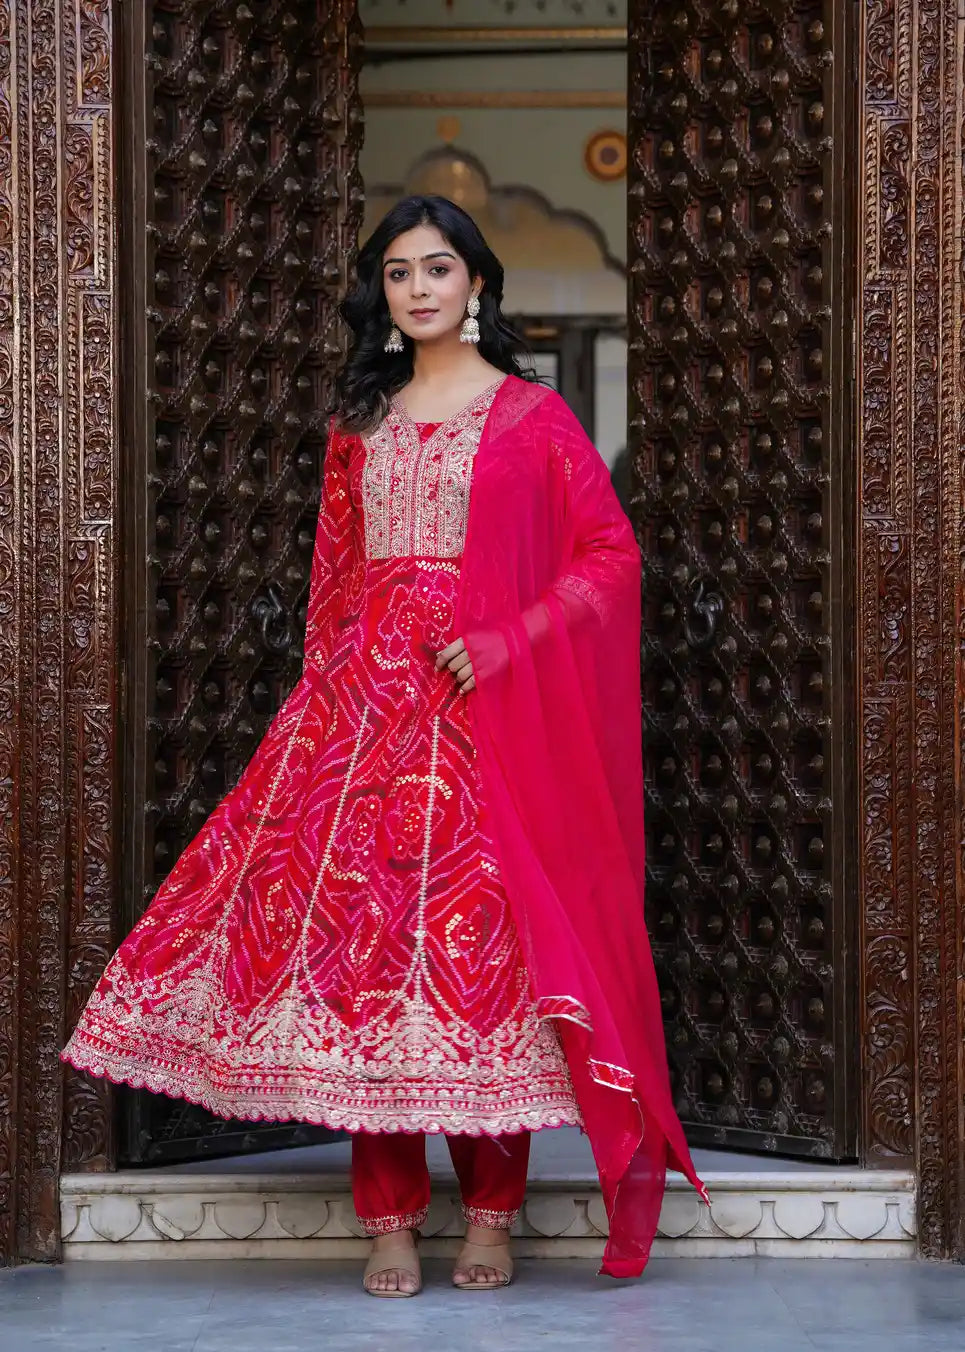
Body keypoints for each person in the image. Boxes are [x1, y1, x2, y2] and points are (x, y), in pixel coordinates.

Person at [62, 194, 705, 1298]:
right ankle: (389, 1222)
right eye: (398, 272)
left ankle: (491, 1214)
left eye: (438, 268)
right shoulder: (357, 425)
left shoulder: (530, 419)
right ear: (383, 295)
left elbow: (607, 558)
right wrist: (317, 710)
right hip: (358, 723)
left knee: (478, 962)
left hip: (481, 723)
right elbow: (333, 589)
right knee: (359, 966)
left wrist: (508, 641)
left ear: (477, 288)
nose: (418, 287)